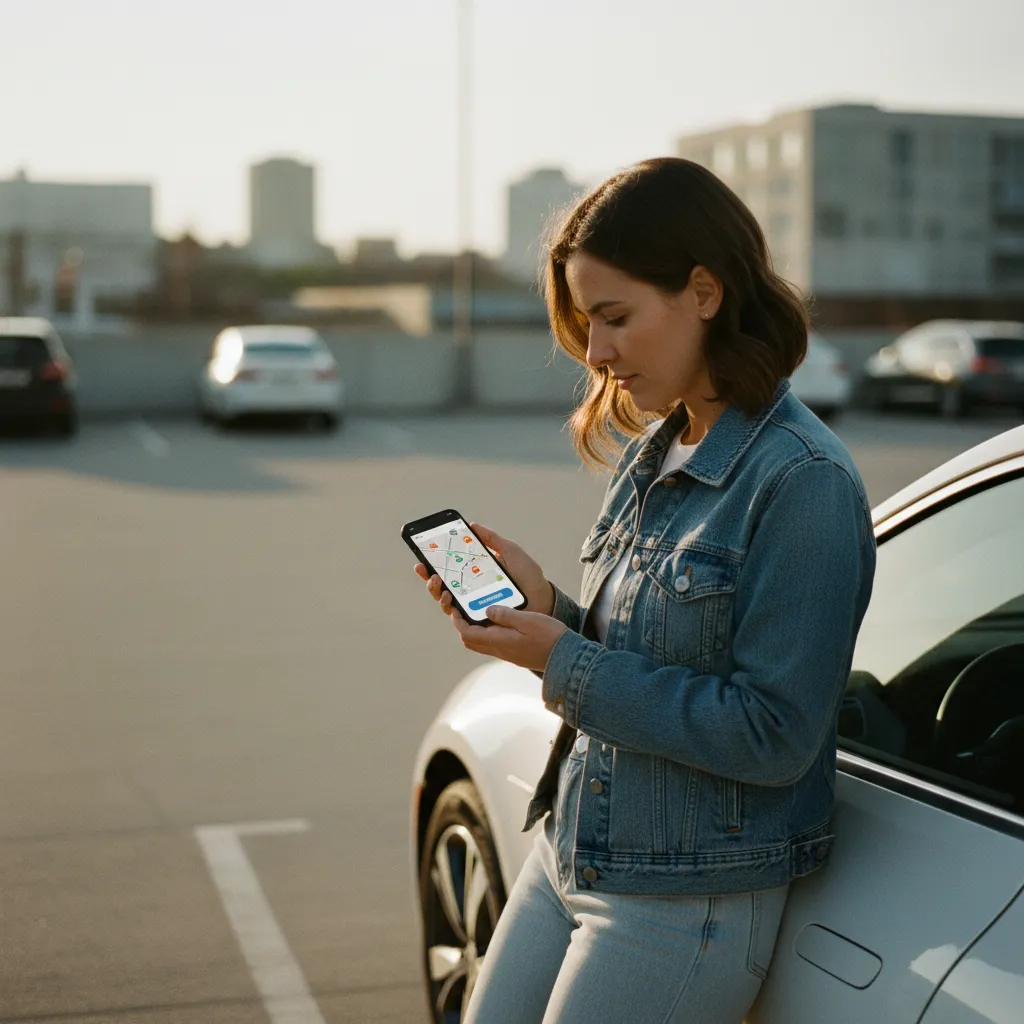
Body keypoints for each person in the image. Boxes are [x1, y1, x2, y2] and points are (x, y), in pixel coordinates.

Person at [414, 157, 876, 1024]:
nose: (596, 354)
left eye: (615, 318)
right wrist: (546, 608)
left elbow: (773, 732)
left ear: (704, 291)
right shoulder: (658, 446)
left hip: (681, 902)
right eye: (588, 324)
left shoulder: (801, 482)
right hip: (573, 845)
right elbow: (650, 653)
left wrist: (568, 665)